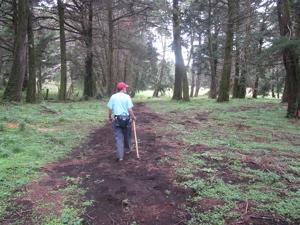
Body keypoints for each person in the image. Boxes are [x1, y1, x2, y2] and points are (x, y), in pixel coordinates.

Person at [107, 82, 136, 161]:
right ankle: (127, 150)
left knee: (118, 138)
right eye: (125, 87)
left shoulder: (113, 97)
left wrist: (110, 117)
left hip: (117, 120)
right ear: (123, 88)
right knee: (127, 135)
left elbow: (110, 109)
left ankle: (120, 156)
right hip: (127, 120)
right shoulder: (127, 97)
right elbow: (129, 109)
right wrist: (133, 117)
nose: (126, 89)